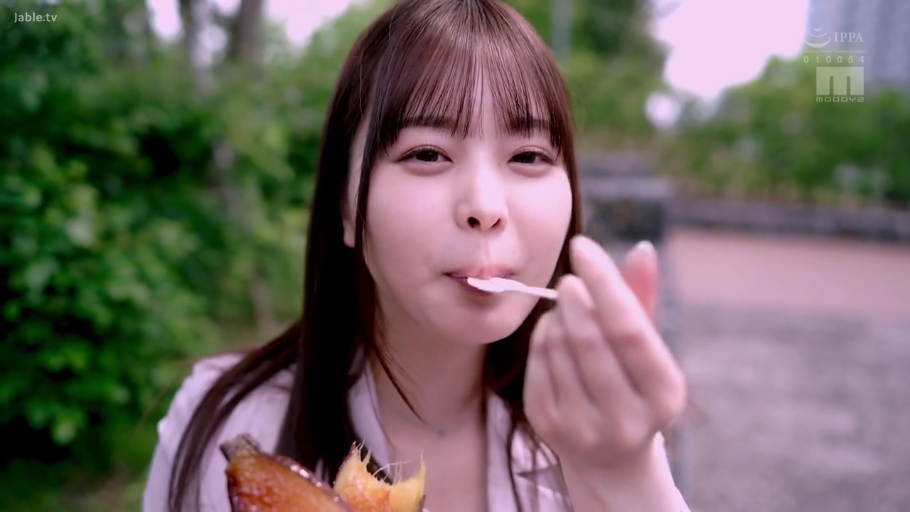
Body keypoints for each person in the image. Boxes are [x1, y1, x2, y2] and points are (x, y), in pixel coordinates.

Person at [142, 0, 690, 510]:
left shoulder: (603, 435)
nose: (485, 207)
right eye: (427, 154)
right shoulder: (226, 421)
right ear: (347, 207)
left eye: (528, 156)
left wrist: (624, 476)